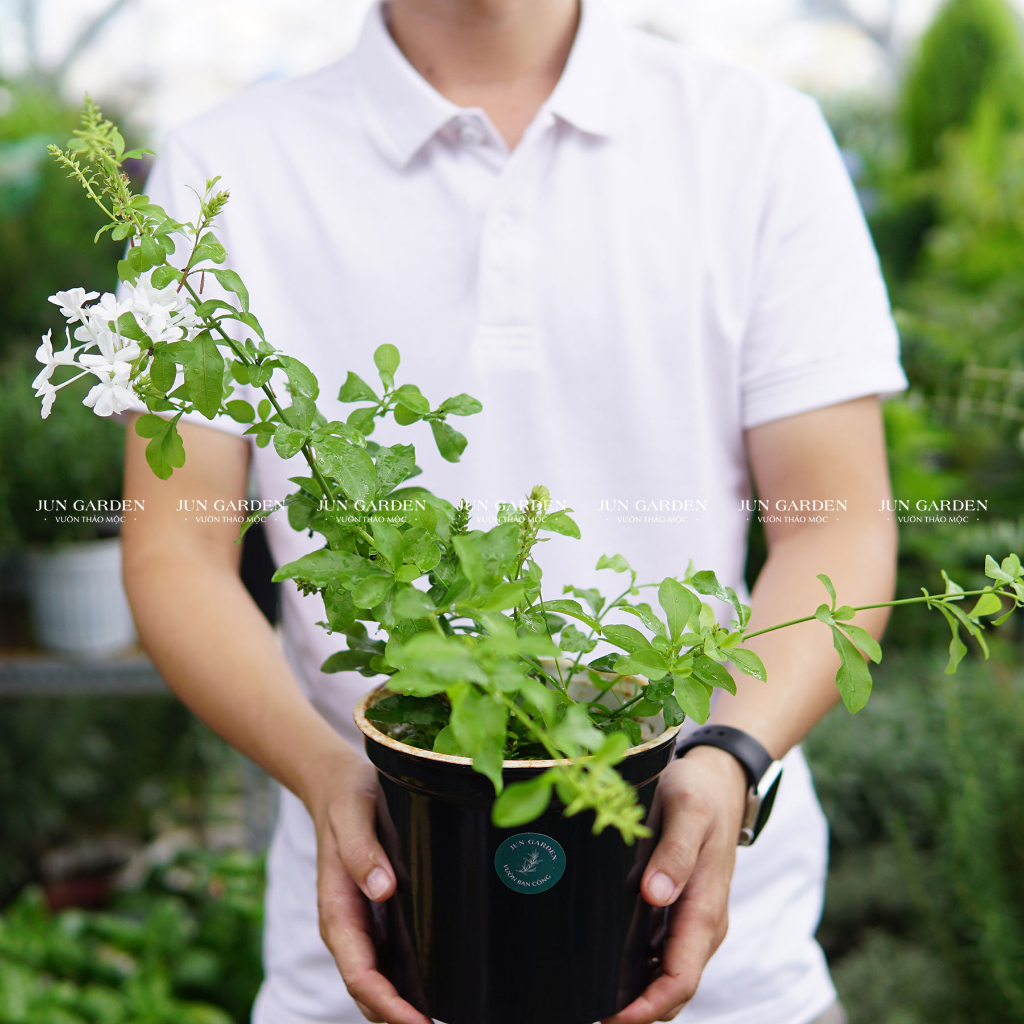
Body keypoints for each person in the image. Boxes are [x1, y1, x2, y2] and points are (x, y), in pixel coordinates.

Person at [121, 0, 906, 1022]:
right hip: (384, 935)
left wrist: (729, 753)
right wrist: (327, 776)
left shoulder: (755, 136)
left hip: (720, 961)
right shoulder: (224, 168)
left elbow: (833, 520)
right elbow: (178, 550)